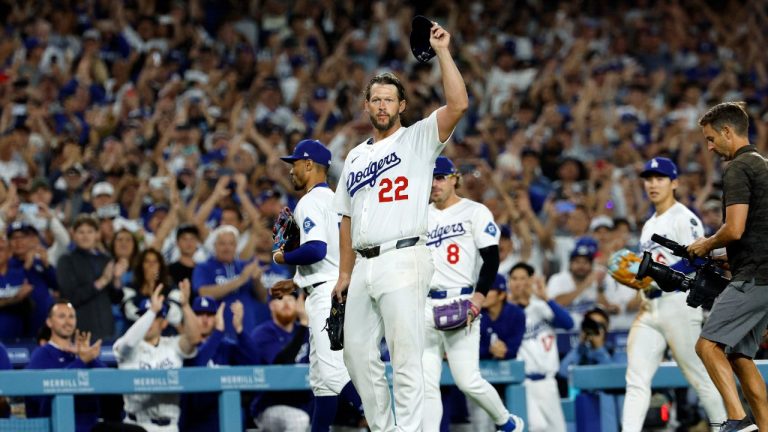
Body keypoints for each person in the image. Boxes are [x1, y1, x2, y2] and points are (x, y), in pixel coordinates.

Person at [331, 19, 468, 431]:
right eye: (375, 99)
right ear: (366, 105)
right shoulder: (354, 157)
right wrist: (343, 272)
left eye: (389, 100)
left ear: (402, 106)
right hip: (364, 264)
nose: (382, 106)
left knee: (406, 355)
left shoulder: (418, 139)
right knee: (355, 353)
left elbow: (458, 105)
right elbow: (346, 216)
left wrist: (443, 51)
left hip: (404, 256)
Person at [622, 157, 725, 432]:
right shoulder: (649, 224)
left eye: (660, 178)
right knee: (636, 379)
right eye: (649, 178)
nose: (653, 184)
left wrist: (657, 276)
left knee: (701, 377)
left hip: (679, 303)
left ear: (674, 183)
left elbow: (698, 259)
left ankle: (724, 428)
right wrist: (638, 277)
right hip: (649, 308)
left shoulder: (684, 217)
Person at [422, 156, 523, 432]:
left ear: (455, 178)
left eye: (440, 177)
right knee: (425, 384)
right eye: (430, 177)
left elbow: (491, 258)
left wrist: (479, 297)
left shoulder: (475, 211)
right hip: (424, 304)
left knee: (467, 380)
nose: (434, 183)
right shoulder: (419, 214)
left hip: (461, 300)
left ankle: (507, 422)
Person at [271, 138, 362, 431]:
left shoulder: (309, 201)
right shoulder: (337, 201)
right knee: (322, 384)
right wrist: (296, 281)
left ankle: (384, 423)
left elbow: (316, 250)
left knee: (333, 375)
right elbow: (333, 256)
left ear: (309, 164)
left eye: (294, 163)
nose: (291, 170)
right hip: (340, 288)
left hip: (327, 296)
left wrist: (282, 257)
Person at [689, 102, 768, 432]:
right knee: (738, 355)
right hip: (761, 272)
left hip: (756, 277)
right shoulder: (763, 164)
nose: (709, 147)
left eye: (710, 139)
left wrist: (706, 244)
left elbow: (734, 228)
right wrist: (731, 257)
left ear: (726, 131)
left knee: (707, 345)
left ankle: (738, 421)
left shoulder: (737, 168)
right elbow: (756, 229)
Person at [113, 280, 200, 432]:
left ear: (164, 323)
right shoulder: (126, 344)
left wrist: (185, 306)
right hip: (134, 425)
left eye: (154, 317)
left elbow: (194, 339)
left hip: (168, 427)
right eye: (143, 316)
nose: (149, 322)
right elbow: (129, 343)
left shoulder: (173, 345)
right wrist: (152, 311)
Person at [508, 262, 573, 432]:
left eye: (523, 278)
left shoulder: (542, 307)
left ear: (531, 280)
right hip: (524, 382)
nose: (518, 283)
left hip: (548, 382)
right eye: (514, 279)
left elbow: (568, 324)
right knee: (537, 427)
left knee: (558, 429)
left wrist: (546, 298)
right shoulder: (507, 313)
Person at [180, 297, 259, 432]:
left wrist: (239, 330)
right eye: (199, 314)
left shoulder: (226, 346)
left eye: (210, 314)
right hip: (196, 420)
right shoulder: (185, 347)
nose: (204, 319)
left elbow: (254, 361)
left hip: (224, 415)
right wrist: (217, 333)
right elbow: (197, 368)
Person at [25, 299, 106, 432]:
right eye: (62, 316)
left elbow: (110, 384)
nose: (68, 321)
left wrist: (91, 359)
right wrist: (82, 361)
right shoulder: (42, 354)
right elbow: (41, 400)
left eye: (71, 316)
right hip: (56, 425)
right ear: (49, 322)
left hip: (92, 425)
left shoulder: (81, 354)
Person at [249, 291, 313, 432]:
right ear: (271, 305)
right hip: (270, 405)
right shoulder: (262, 333)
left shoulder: (309, 332)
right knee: (299, 420)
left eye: (291, 299)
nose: (286, 303)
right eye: (280, 299)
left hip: (303, 403)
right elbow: (282, 366)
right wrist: (303, 324)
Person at [191, 224, 267, 336]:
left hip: (246, 331)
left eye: (231, 244)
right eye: (222, 244)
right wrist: (240, 280)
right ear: (214, 246)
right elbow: (204, 293)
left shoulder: (245, 266)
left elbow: (263, 297)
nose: (227, 248)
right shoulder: (204, 267)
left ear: (236, 246)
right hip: (217, 333)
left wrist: (256, 281)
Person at [56, 215, 123, 341]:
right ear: (73, 235)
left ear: (97, 235)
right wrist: (101, 282)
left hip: (107, 330)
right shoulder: (66, 261)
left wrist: (116, 279)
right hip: (80, 331)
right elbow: (69, 298)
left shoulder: (106, 260)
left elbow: (116, 299)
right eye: (81, 232)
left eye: (90, 231)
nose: (85, 236)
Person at [558, 307, 622, 432]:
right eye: (590, 323)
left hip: (606, 421)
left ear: (606, 329)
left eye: (599, 325)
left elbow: (613, 376)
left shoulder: (614, 354)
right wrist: (580, 346)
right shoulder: (578, 353)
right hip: (578, 419)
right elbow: (563, 371)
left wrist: (599, 350)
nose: (594, 328)